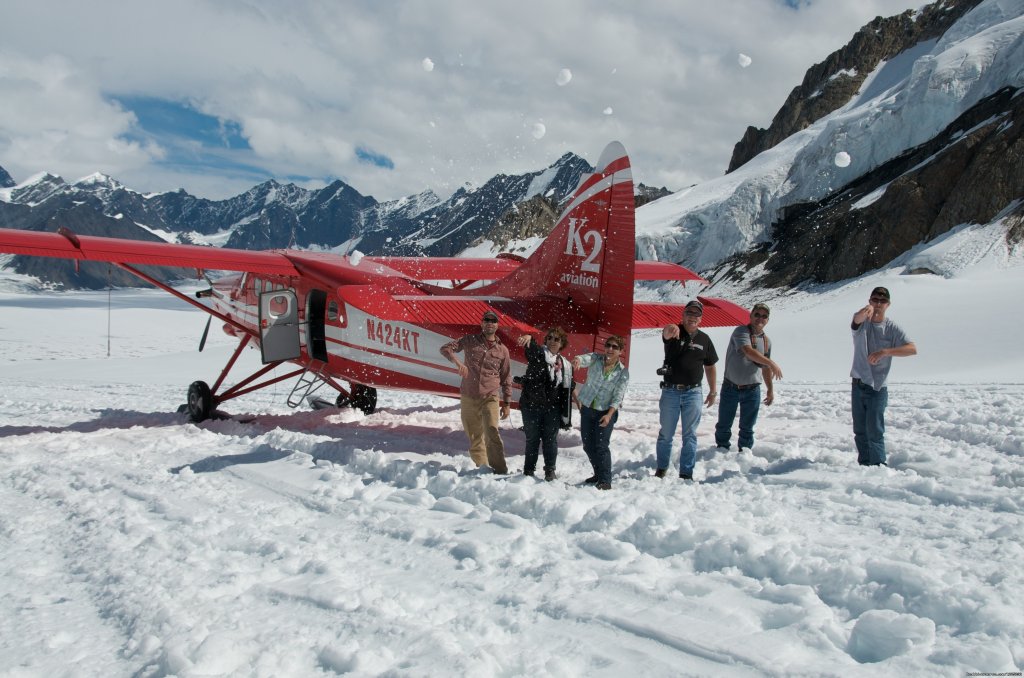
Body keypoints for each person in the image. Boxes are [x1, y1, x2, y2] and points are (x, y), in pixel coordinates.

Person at [850, 286, 917, 466]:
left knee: (875, 430)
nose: (878, 304)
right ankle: (864, 464)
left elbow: (912, 349)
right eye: (875, 300)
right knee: (860, 430)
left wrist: (886, 351)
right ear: (870, 301)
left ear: (888, 304)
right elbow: (856, 320)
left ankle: (878, 465)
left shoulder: (892, 328)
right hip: (857, 385)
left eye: (882, 301)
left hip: (878, 387)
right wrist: (864, 312)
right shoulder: (862, 323)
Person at [440, 310, 512, 474]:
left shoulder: (503, 351)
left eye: (493, 321)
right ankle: (484, 468)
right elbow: (445, 349)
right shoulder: (469, 340)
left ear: (497, 325)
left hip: (490, 396)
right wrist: (458, 363)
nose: (489, 323)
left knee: (492, 433)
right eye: (486, 320)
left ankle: (500, 471)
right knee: (475, 437)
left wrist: (507, 403)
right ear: (481, 323)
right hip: (468, 395)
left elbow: (506, 377)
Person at [655, 300, 718, 480]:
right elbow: (666, 333)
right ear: (683, 315)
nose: (692, 317)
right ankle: (661, 469)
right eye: (689, 313)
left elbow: (710, 366)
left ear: (701, 318)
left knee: (690, 435)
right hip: (671, 391)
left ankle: (686, 473)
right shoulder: (675, 331)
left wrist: (713, 391)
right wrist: (668, 328)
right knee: (666, 433)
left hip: (693, 393)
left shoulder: (705, 339)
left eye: (696, 314)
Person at [714, 303, 783, 452]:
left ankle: (744, 453)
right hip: (731, 386)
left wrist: (770, 390)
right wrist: (771, 363)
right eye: (757, 314)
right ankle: (721, 450)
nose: (760, 318)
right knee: (724, 424)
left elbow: (764, 367)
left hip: (752, 389)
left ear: (768, 320)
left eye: (764, 316)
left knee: (747, 427)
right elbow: (747, 351)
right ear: (751, 316)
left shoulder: (766, 341)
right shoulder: (741, 331)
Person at [515, 327, 574, 481]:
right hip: (531, 405)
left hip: (552, 409)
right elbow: (531, 349)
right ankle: (528, 470)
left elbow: (566, 387)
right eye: (550, 338)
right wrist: (529, 337)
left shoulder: (565, 365)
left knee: (550, 440)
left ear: (562, 344)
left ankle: (550, 470)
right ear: (546, 340)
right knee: (532, 439)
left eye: (557, 339)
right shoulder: (539, 355)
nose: (553, 341)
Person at [572, 335, 630, 490]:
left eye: (614, 347)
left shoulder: (623, 372)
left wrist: (609, 415)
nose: (610, 349)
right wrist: (577, 360)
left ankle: (605, 480)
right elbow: (583, 358)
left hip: (605, 412)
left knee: (601, 445)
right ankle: (598, 473)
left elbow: (618, 396)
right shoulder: (596, 359)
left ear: (620, 351)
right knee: (588, 445)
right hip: (588, 409)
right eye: (608, 345)